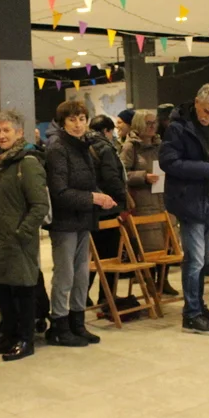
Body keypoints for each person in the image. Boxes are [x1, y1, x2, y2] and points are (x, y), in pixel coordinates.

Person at [0, 110, 49, 361]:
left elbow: (40, 206)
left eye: (7, 130)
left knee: (23, 289)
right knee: (2, 287)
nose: (2, 135)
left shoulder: (28, 163)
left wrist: (21, 232)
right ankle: (8, 334)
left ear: (19, 133)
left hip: (18, 240)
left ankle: (25, 339)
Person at [159, 83, 209, 335]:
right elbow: (168, 162)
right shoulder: (177, 127)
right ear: (196, 102)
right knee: (194, 260)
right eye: (205, 111)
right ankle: (191, 315)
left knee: (204, 259)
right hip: (187, 199)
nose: (208, 117)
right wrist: (206, 169)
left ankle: (199, 306)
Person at [46, 100, 116, 347]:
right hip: (64, 222)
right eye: (72, 119)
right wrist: (93, 198)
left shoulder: (84, 145)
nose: (78, 124)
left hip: (84, 219)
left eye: (82, 119)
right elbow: (59, 192)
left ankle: (78, 323)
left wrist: (101, 196)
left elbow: (87, 182)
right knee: (65, 275)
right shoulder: (57, 148)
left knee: (81, 275)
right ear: (63, 123)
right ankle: (59, 325)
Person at [121, 109, 177, 294]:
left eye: (154, 123)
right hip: (144, 203)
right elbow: (122, 174)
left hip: (164, 201)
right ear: (138, 124)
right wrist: (143, 176)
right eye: (148, 123)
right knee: (149, 246)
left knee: (167, 243)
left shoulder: (161, 145)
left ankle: (164, 281)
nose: (153, 126)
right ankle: (150, 284)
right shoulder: (130, 147)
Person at [87, 115, 128, 310]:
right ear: (106, 131)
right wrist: (123, 198)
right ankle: (107, 296)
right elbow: (112, 177)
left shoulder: (82, 145)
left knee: (93, 255)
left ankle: (83, 295)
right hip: (108, 207)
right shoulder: (105, 148)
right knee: (110, 254)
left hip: (90, 206)